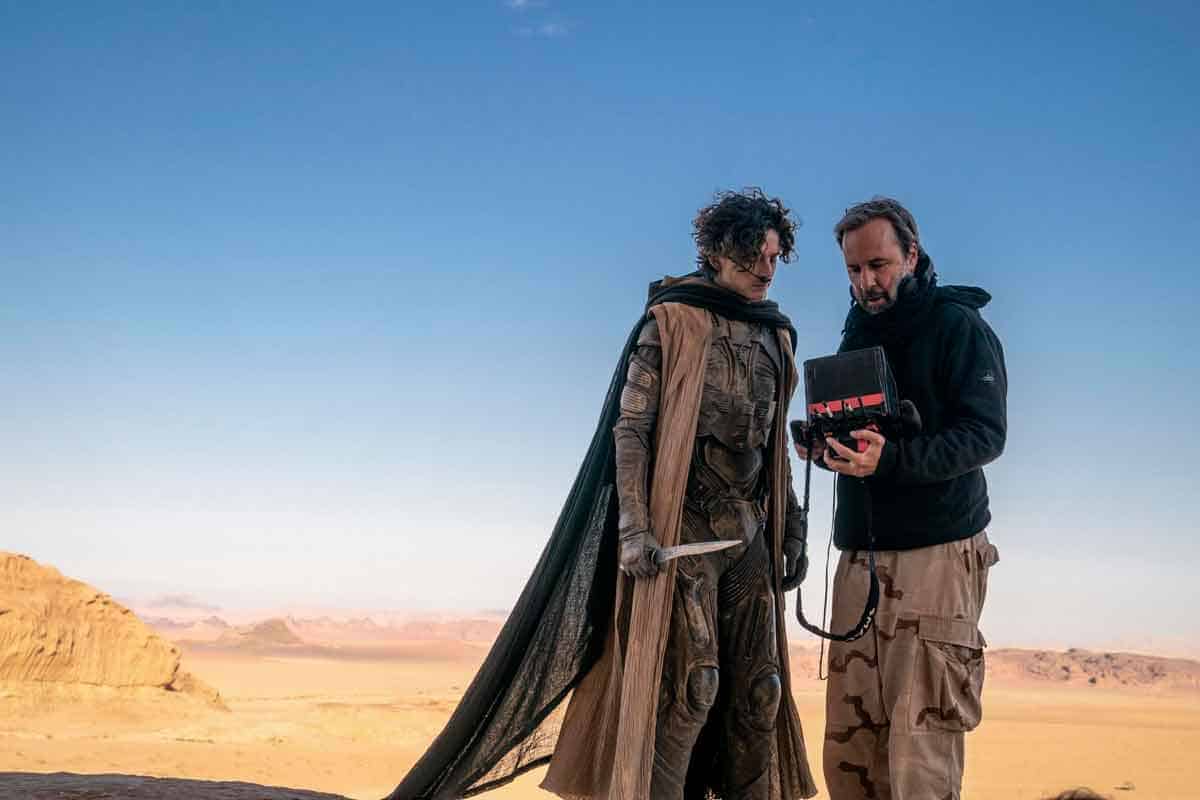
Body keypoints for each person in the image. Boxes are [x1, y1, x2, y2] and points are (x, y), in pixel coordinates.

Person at [391, 189, 816, 800]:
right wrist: (636, 529)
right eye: (757, 255)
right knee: (689, 690)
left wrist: (793, 525)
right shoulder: (672, 321)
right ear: (720, 251)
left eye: (776, 256)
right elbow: (633, 430)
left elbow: (774, 445)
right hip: (684, 529)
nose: (768, 269)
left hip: (749, 529)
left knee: (761, 693)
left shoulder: (777, 335)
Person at [794, 197, 1006, 800]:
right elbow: (871, 428)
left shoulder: (957, 325)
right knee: (852, 752)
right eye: (855, 271)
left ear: (911, 254)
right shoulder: (857, 330)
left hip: (936, 558)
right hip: (861, 558)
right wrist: (826, 445)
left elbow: (986, 434)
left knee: (921, 755)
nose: (867, 282)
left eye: (880, 265)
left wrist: (893, 460)